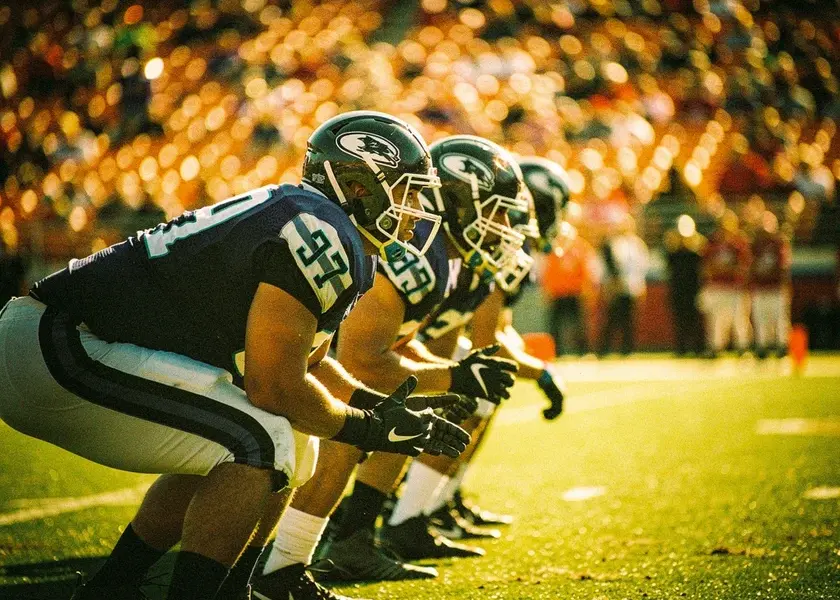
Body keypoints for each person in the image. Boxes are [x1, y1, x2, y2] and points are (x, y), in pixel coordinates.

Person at [0, 111, 470, 600]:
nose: (416, 208)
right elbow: (274, 387)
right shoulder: (320, 229)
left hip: (65, 341)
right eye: (407, 191)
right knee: (261, 441)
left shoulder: (318, 223)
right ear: (357, 187)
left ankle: (123, 588)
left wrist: (375, 406)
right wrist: (366, 427)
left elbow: (304, 365)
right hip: (59, 342)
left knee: (285, 439)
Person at [699, 209, 752, 357]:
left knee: (739, 319)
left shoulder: (739, 243)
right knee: (715, 320)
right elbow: (706, 267)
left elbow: (744, 266)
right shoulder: (712, 243)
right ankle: (715, 347)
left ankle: (743, 347)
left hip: (734, 287)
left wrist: (725, 269)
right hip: (716, 287)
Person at [598, 215, 650, 355]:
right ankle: (604, 349)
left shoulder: (637, 244)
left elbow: (642, 266)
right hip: (616, 287)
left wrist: (640, 285)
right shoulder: (613, 243)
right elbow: (609, 268)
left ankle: (627, 349)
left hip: (632, 286)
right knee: (612, 319)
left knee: (629, 320)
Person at [749, 211, 792, 358]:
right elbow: (749, 264)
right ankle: (762, 346)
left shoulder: (779, 242)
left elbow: (783, 266)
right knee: (760, 318)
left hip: (776, 287)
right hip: (760, 287)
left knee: (779, 318)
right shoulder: (755, 243)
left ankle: (782, 345)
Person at [664, 215, 707, 356]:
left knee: (695, 320)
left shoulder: (697, 252)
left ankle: (698, 348)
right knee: (680, 320)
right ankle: (681, 348)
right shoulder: (673, 252)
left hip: (694, 290)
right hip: (679, 291)